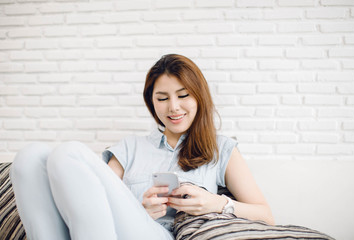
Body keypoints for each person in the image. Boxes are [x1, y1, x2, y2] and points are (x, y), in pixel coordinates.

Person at [10, 54, 274, 240]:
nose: (173, 107)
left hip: (159, 235)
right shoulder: (128, 148)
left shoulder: (221, 149)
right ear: (152, 102)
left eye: (183, 96)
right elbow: (92, 199)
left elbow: (266, 216)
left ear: (199, 97)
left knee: (69, 153)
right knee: (29, 157)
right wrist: (139, 207)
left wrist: (215, 203)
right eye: (162, 98)